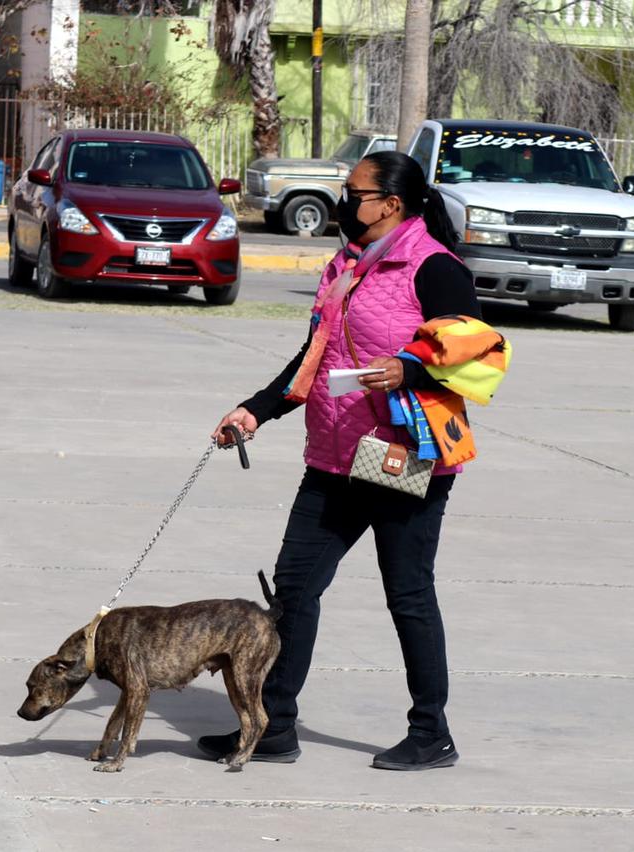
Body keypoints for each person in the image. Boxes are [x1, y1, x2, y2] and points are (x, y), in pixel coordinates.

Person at [197, 151, 481, 771]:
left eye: (356, 193)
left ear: (391, 204)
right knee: (294, 590)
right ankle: (272, 726)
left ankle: (431, 733)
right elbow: (314, 356)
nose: (345, 202)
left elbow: (475, 352)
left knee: (408, 594)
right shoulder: (347, 265)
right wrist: (256, 410)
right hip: (333, 458)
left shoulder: (435, 267)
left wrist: (408, 369)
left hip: (403, 457)